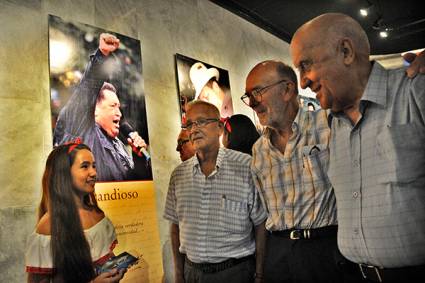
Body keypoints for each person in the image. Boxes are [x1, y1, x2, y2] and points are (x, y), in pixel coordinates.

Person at [290, 13, 425, 282]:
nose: (302, 82)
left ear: (346, 51)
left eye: (305, 65)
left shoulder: (414, 90)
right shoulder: (332, 123)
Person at [242, 60, 351, 283]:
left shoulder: (329, 124)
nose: (252, 103)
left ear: (287, 89)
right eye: (248, 96)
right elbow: (264, 211)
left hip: (324, 249)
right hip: (278, 252)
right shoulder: (259, 149)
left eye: (257, 92)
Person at [164, 100, 267, 283]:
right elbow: (175, 227)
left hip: (235, 272)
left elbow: (260, 224)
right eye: (189, 124)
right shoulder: (178, 175)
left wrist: (259, 274)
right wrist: (179, 275)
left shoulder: (246, 166)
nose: (194, 129)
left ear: (220, 127)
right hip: (192, 272)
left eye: (201, 121)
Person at [53, 33, 149, 181]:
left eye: (119, 107)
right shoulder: (81, 128)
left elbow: (130, 183)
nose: (119, 113)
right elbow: (87, 89)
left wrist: (139, 158)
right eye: (113, 106)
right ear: (94, 110)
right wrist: (102, 55)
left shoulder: (119, 145)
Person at [25, 142, 126, 283]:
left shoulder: (97, 214)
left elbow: (104, 258)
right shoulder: (49, 226)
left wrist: (115, 270)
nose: (94, 173)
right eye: (85, 166)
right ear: (64, 173)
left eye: (94, 166)